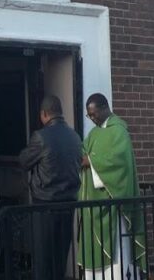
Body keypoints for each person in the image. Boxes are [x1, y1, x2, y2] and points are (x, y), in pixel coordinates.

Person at [77, 93, 146, 279]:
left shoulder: (119, 130)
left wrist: (90, 161)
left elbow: (119, 163)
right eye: (89, 115)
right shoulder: (94, 133)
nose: (92, 118)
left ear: (105, 107)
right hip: (93, 205)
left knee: (116, 257)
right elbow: (83, 152)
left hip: (112, 205)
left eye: (94, 114)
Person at [19, 95, 83, 280]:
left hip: (45, 205)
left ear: (44, 114)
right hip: (68, 204)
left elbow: (24, 161)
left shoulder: (40, 137)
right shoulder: (74, 136)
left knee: (43, 260)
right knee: (59, 259)